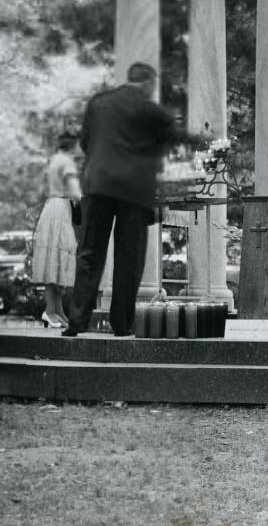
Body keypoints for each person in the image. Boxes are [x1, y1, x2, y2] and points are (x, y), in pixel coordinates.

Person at [63, 62, 191, 338]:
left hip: (98, 184)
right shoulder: (150, 109)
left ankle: (77, 321)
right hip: (133, 190)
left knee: (89, 253)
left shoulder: (98, 103)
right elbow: (172, 140)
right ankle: (121, 323)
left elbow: (86, 142)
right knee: (128, 257)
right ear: (149, 83)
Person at [31, 131, 81, 328]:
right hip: (60, 209)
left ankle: (57, 310)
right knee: (57, 260)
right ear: (73, 145)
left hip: (52, 207)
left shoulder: (54, 160)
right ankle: (50, 311)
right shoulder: (67, 163)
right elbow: (75, 192)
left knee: (55, 261)